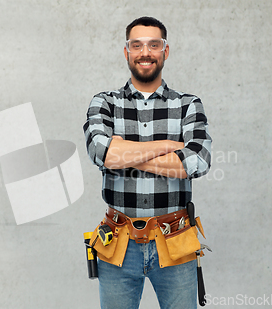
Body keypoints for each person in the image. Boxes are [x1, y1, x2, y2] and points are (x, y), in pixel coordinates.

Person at [83, 16, 212, 309]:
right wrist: (168, 146)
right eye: (137, 45)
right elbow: (101, 153)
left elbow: (198, 160)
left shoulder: (187, 104)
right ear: (126, 51)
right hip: (118, 240)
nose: (145, 52)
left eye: (154, 45)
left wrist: (124, 155)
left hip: (175, 239)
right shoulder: (104, 102)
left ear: (165, 51)